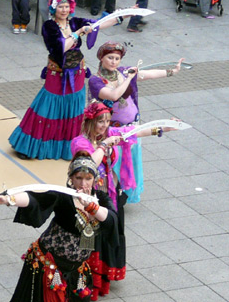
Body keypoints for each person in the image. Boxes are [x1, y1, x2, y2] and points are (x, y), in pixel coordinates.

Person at [70, 101, 181, 299]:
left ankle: (104, 275)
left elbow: (132, 132)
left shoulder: (109, 134)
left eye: (107, 121)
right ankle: (86, 281)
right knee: (90, 238)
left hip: (110, 193)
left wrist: (163, 127)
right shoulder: (80, 142)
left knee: (110, 233)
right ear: (89, 121)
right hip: (88, 198)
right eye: (100, 121)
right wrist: (104, 146)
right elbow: (87, 164)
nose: (104, 125)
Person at [9, 0, 126, 161]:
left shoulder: (75, 22)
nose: (64, 10)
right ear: (54, 8)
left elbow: (97, 24)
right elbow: (60, 48)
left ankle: (70, 147)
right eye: (61, 7)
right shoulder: (49, 26)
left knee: (74, 110)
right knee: (47, 107)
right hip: (57, 75)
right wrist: (78, 33)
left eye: (67, 6)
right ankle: (30, 146)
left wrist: (120, 16)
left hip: (77, 74)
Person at [0, 152, 119, 302]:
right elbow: (35, 200)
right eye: (78, 178)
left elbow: (111, 220)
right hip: (50, 263)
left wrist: (90, 206)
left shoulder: (101, 200)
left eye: (88, 179)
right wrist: (8, 199)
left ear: (95, 179)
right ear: (71, 178)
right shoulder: (63, 196)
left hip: (78, 267)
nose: (83, 184)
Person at [89, 41, 184, 203]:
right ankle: (111, 196)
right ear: (101, 58)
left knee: (132, 162)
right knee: (114, 165)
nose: (113, 61)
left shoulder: (124, 72)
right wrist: (129, 77)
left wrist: (171, 72)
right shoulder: (96, 81)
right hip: (111, 131)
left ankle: (126, 194)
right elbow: (113, 95)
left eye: (117, 58)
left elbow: (147, 74)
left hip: (132, 126)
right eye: (110, 57)